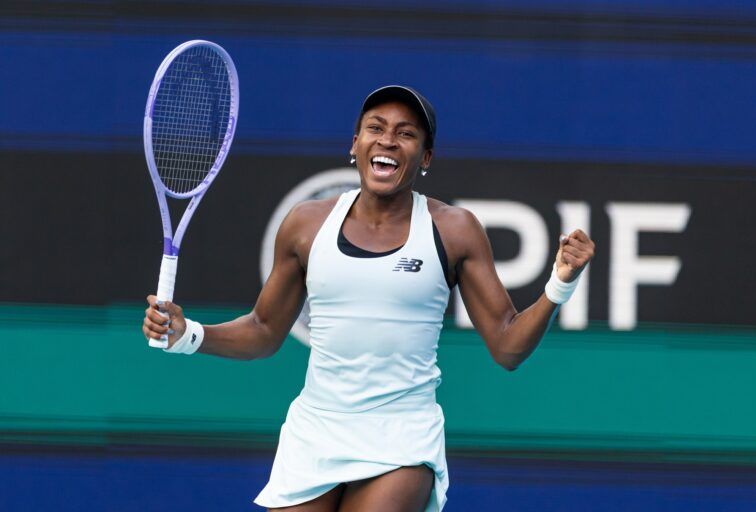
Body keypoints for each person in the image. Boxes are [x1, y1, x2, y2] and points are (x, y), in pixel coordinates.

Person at [142, 85, 595, 512]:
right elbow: (263, 330)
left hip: (402, 436)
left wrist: (560, 284)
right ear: (355, 144)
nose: (389, 141)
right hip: (315, 431)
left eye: (406, 134)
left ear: (425, 157)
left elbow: (507, 346)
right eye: (376, 128)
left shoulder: (454, 229)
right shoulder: (306, 224)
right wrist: (189, 335)